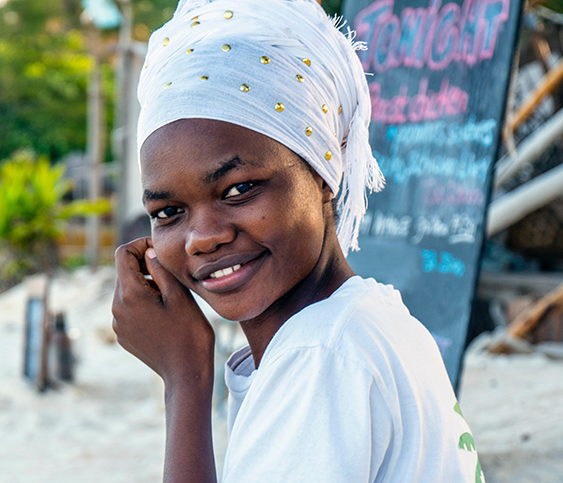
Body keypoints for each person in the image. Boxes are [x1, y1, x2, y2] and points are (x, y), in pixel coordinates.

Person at [111, 0, 484, 481]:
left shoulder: (319, 357)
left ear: (323, 171)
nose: (203, 237)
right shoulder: (370, 320)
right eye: (168, 213)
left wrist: (185, 378)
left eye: (238, 189)